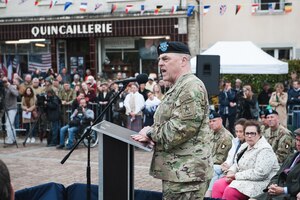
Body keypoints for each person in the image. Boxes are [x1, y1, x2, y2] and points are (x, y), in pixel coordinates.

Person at [132, 41, 213, 199]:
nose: (160, 63)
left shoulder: (190, 87)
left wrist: (149, 132)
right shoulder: (178, 86)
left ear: (184, 60)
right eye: (160, 60)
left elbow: (178, 130)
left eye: (166, 58)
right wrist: (152, 135)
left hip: (187, 176)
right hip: (179, 172)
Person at [212, 120, 279, 200]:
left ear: (259, 134)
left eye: (252, 133)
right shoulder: (245, 146)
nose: (249, 136)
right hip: (243, 179)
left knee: (230, 191)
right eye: (247, 133)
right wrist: (231, 171)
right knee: (218, 185)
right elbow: (236, 163)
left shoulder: (265, 149)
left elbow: (260, 173)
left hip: (261, 183)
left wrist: (235, 176)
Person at [251, 128, 300, 200]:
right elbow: (278, 175)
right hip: (276, 192)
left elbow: (297, 185)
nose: (298, 143)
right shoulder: (292, 156)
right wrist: (272, 185)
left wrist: (283, 190)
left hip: (290, 195)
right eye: (297, 140)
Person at [205, 110, 233, 197]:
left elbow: (219, 159)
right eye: (210, 121)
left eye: (214, 121)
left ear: (221, 120)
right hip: (210, 164)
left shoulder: (226, 137)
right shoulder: (211, 134)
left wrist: (204, 162)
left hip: (221, 167)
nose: (211, 123)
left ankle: (208, 196)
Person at [3, 77, 19, 145]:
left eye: (5, 81)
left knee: (8, 124)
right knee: (10, 125)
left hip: (12, 108)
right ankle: (13, 139)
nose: (4, 83)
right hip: (6, 108)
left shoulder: (12, 87)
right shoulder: (3, 89)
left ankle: (10, 139)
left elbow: (16, 94)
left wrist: (9, 86)